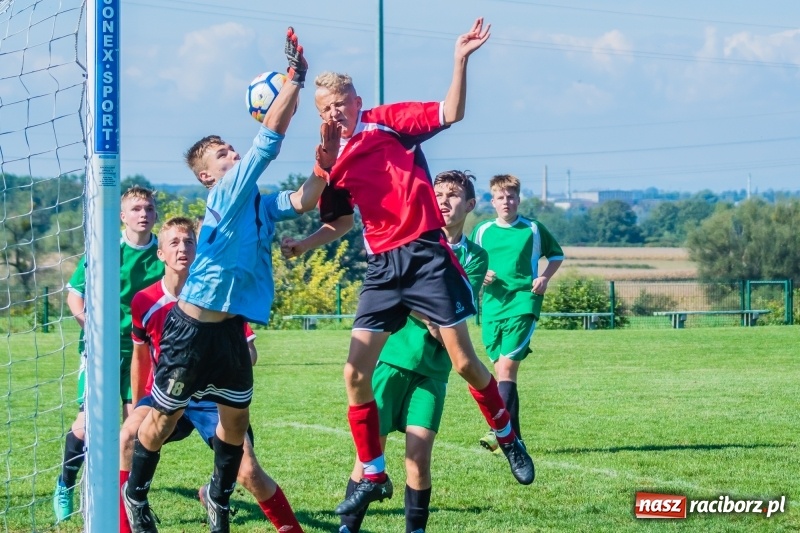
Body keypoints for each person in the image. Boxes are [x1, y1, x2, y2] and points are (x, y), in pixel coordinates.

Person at [309, 17, 533, 516]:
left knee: (465, 362)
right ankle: (370, 471)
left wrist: (460, 59)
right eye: (325, 108)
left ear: (357, 99)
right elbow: (333, 214)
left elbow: (451, 111)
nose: (336, 112)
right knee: (353, 373)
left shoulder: (387, 121)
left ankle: (505, 432)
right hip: (382, 268)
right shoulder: (332, 159)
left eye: (341, 103)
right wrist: (306, 236)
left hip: (425, 255)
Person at [121, 27, 340, 533]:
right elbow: (269, 141)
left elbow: (303, 200)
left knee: (236, 426)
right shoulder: (227, 193)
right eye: (221, 154)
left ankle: (217, 498)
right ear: (208, 176)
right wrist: (294, 79)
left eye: (229, 149)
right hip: (191, 328)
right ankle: (136, 494)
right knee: (162, 421)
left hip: (229, 331)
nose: (232, 155)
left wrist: (322, 165)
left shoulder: (256, 202)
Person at [119, 216, 303, 533]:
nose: (182, 249)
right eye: (173, 243)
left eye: (189, 242)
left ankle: (286, 527)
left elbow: (248, 351)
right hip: (166, 392)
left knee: (248, 472)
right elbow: (140, 358)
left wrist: (230, 359)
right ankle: (126, 524)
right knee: (128, 436)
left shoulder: (219, 299)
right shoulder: (145, 301)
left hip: (212, 399)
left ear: (199, 249)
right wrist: (137, 405)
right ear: (160, 253)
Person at [334, 171, 488, 533]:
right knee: (370, 453)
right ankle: (347, 528)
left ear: (469, 205)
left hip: (433, 369)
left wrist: (417, 300)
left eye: (454, 195)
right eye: (439, 194)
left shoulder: (476, 258)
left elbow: (449, 307)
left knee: (418, 458)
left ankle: (415, 529)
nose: (445, 201)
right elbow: (433, 306)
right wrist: (432, 306)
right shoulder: (409, 238)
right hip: (391, 359)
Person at [53, 185, 164, 522]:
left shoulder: (164, 250)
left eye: (148, 208)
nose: (142, 214)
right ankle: (65, 484)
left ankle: (131, 501)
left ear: (155, 213)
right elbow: (75, 293)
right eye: (135, 209)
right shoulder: (106, 248)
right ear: (122, 215)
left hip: (141, 352)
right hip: (103, 350)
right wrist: (88, 320)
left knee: (139, 430)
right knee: (88, 426)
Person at [470, 173, 564, 453]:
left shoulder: (533, 229)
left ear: (518, 199)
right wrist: (482, 273)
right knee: (500, 374)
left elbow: (556, 254)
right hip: (492, 308)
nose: (506, 201)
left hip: (524, 303)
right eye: (501, 197)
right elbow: (471, 262)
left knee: (508, 369)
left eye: (511, 196)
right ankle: (514, 438)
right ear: (493, 201)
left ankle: (495, 430)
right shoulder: (483, 231)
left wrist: (544, 277)